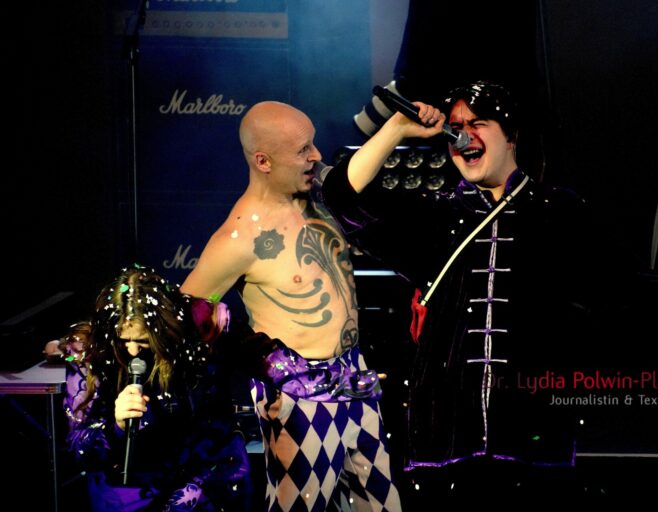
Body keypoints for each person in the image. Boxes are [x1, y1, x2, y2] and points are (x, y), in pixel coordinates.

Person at [321, 81, 658, 507]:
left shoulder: (558, 212)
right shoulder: (434, 217)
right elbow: (340, 198)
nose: (464, 136)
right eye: (456, 127)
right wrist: (397, 128)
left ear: (511, 136)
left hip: (532, 440)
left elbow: (633, 286)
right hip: (444, 441)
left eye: (478, 124)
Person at [180, 101, 402, 511]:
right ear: (263, 161)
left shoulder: (319, 195)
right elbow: (187, 310)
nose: (316, 155)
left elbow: (354, 174)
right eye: (303, 150)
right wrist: (263, 358)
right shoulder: (239, 237)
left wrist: (399, 126)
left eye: (313, 144)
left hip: (356, 380)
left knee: (380, 505)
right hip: (301, 397)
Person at [59, 264, 252, 511]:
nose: (132, 351)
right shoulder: (89, 351)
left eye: (142, 340)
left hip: (200, 476)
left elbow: (265, 358)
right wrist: (115, 427)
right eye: (123, 340)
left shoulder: (201, 329)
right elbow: (79, 445)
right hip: (128, 487)